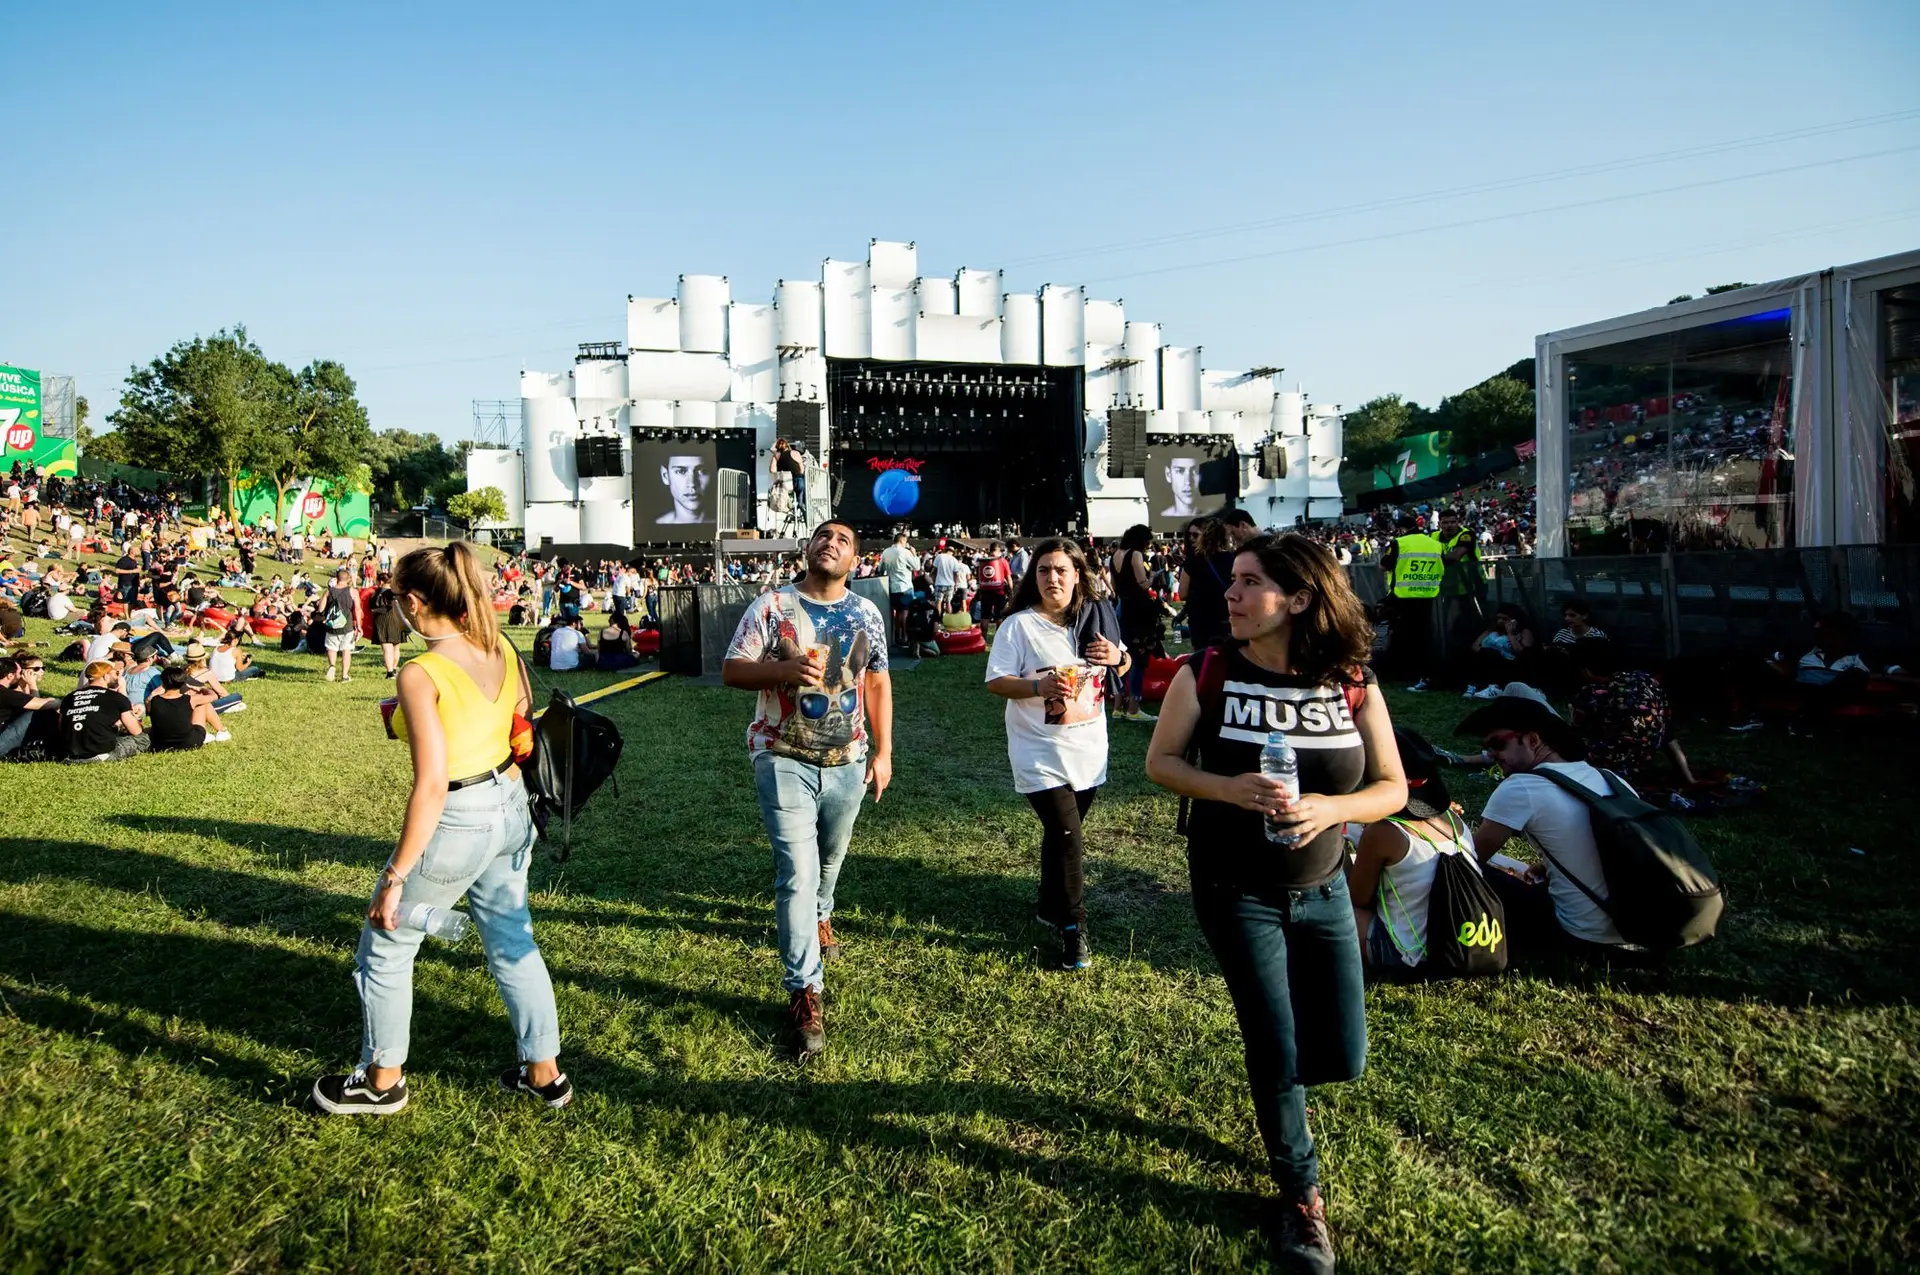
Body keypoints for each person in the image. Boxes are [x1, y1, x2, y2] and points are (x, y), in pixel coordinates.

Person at [1145, 534, 1406, 1272]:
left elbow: (1393, 786)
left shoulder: (1350, 679)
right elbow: (1160, 761)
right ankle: (1301, 1195)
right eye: (1232, 581)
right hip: (1235, 890)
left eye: (1249, 582)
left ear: (1298, 598)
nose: (1230, 594)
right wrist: (1227, 788)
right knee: (1276, 1044)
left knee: (1345, 1056)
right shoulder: (1208, 670)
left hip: (1323, 888)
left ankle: (1287, 1101)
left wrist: (1329, 809)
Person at [313, 541, 566, 1115]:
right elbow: (519, 720)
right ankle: (543, 1071)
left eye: (395, 598)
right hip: (509, 805)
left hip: (460, 816)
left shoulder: (419, 671)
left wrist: (396, 876)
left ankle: (381, 1080)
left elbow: (430, 784)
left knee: (385, 943)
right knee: (511, 937)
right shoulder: (499, 643)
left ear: (414, 601)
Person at [722, 519, 892, 1058]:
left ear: (855, 560)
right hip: (781, 754)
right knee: (795, 872)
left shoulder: (866, 613)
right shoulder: (770, 607)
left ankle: (822, 914)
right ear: (808, 548)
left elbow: (878, 681)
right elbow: (732, 670)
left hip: (848, 759)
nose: (832, 543)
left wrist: (884, 752)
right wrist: (786, 669)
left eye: (844, 540)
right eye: (824, 536)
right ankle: (804, 993)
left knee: (829, 859)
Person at [985, 538, 1130, 970]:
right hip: (1039, 750)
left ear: (1077, 575)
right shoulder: (1020, 626)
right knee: (1069, 836)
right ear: (1035, 577)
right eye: (1044, 570)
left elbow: (1123, 666)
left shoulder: (1095, 618)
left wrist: (1118, 658)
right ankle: (1073, 927)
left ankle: (1050, 906)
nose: (1053, 578)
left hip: (1087, 749)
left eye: (1061, 570)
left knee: (1062, 833)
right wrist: (1038, 687)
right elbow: (996, 682)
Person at [1457, 692, 1633, 957]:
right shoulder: (1608, 779)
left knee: (1460, 872)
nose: (1491, 754)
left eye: (1497, 744)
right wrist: (1547, 866)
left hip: (1584, 938)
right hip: (1642, 933)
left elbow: (1472, 860)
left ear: (1533, 740)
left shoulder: (1521, 786)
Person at [1346, 730, 1482, 973]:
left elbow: (1358, 899)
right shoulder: (1453, 819)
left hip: (1413, 955)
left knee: (1333, 908)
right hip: (1461, 944)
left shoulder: (1384, 832)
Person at [1381, 514, 1443, 690]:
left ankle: (1406, 673)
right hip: (1428, 594)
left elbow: (1384, 565)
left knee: (1402, 634)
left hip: (1403, 596)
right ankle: (1424, 674)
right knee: (1424, 635)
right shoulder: (1434, 543)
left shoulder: (1399, 543)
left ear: (1401, 529)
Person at [1109, 525, 1159, 723]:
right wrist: (1153, 576)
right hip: (1139, 610)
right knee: (1139, 658)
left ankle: (1117, 707)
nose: (1148, 546)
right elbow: (1142, 584)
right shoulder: (1136, 555)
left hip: (1122, 608)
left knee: (1122, 656)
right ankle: (1133, 708)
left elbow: (1113, 587)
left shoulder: (1114, 556)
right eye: (1147, 542)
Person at [61, 659, 150, 763]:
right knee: (143, 739)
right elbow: (136, 731)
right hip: (101, 753)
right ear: (105, 676)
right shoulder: (116, 698)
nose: (118, 677)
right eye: (116, 673)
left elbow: (61, 726)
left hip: (70, 753)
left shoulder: (69, 697)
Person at [146, 664, 231, 749]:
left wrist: (152, 694)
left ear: (163, 683)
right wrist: (202, 689)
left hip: (160, 744)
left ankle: (214, 733)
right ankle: (221, 730)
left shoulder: (153, 701)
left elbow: (149, 705)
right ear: (182, 683)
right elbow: (214, 696)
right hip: (189, 743)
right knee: (203, 703)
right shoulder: (191, 700)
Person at [1464, 605, 1537, 698]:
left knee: (1492, 655)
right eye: (1498, 618)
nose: (1500, 621)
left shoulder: (1522, 633)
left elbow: (1522, 653)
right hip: (1486, 659)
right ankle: (1475, 686)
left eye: (1505, 619)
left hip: (1508, 664)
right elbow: (1475, 647)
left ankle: (1496, 688)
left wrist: (1511, 634)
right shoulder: (1490, 632)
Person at [0, 655, 58, 760]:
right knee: (36, 713)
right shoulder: (7, 694)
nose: (41, 671)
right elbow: (40, 706)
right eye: (36, 669)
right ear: (9, 676)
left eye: (43, 668)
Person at [878, 533, 920, 646]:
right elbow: (917, 567)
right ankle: (904, 636)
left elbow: (880, 569)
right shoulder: (905, 552)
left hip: (891, 586)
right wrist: (914, 554)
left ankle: (897, 636)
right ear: (903, 540)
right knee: (905, 611)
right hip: (905, 586)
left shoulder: (886, 552)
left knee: (897, 612)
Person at [322, 567, 361, 682]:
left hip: (332, 624)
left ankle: (332, 666)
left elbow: (320, 608)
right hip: (347, 624)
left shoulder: (328, 591)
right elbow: (357, 609)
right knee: (346, 650)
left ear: (336, 578)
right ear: (348, 578)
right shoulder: (353, 591)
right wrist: (358, 625)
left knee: (331, 647)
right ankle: (344, 676)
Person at [654, 452, 713, 524]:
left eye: (703, 471)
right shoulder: (654, 526)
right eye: (681, 471)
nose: (692, 484)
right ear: (665, 476)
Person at [370, 571, 409, 679]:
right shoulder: (397, 593)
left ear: (381, 581)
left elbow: (371, 606)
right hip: (396, 619)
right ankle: (395, 668)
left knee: (387, 648)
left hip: (382, 619)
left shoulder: (377, 592)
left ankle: (390, 672)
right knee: (396, 647)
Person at [976, 542, 1013, 628]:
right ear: (999, 551)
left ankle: (984, 639)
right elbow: (1009, 578)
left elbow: (979, 577)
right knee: (999, 617)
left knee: (984, 617)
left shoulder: (984, 561)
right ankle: (998, 638)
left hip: (985, 592)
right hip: (999, 593)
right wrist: (1011, 592)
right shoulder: (1003, 561)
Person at [1159, 452, 1204, 519]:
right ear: (1168, 474)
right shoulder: (1162, 516)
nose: (1188, 481)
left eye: (1195, 471)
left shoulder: (1214, 515)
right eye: (1180, 471)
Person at [930, 541, 962, 615]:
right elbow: (956, 574)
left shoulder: (939, 556)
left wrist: (932, 579)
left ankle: (937, 620)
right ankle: (948, 619)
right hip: (950, 584)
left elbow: (934, 570)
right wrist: (956, 584)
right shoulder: (954, 560)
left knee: (938, 602)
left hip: (939, 583)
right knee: (948, 602)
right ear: (952, 552)